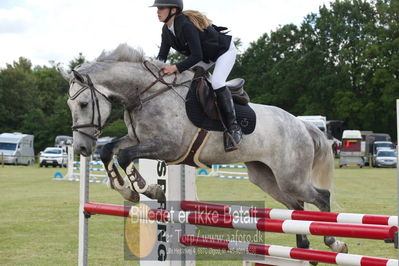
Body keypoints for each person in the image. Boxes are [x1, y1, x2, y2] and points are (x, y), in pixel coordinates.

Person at [150, 0, 242, 152]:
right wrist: (152, 70)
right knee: (184, 79)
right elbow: (161, 58)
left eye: (161, 8)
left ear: (173, 10)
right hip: (205, 57)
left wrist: (175, 67)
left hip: (223, 51)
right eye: (158, 8)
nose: (157, 11)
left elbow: (196, 55)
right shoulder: (166, 30)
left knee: (218, 82)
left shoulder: (185, 25)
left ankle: (233, 127)